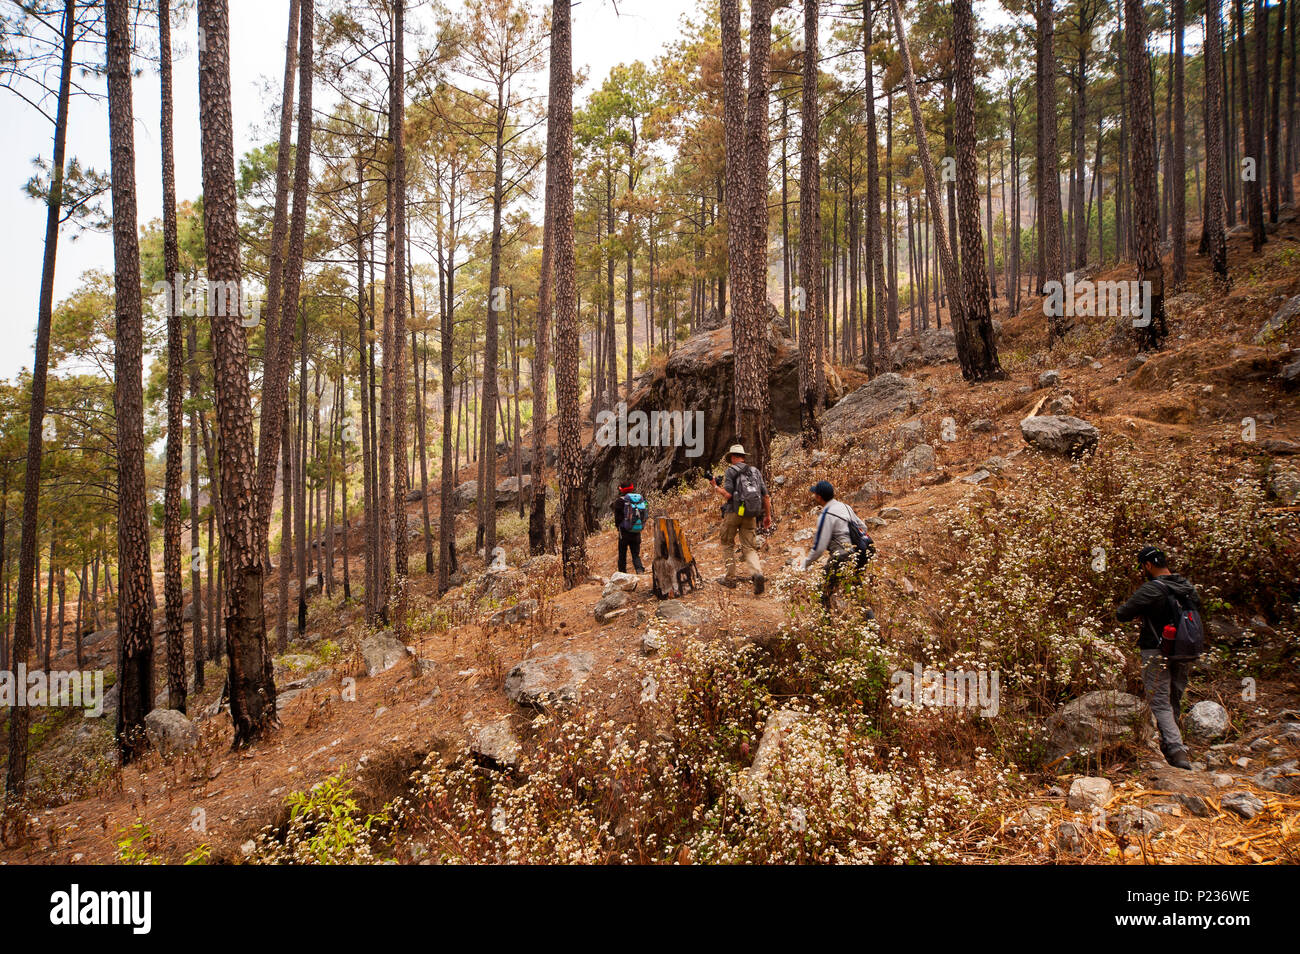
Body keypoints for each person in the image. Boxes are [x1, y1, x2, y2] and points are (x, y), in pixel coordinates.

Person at [1116, 545, 1202, 771]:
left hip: (1156, 650)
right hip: (1184, 650)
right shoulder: (1186, 587)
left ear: (1147, 565)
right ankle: (1170, 741)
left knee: (1159, 701)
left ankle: (1176, 749)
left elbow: (1122, 613)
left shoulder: (1152, 589)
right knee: (1174, 696)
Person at [799, 480, 874, 606]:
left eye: (815, 494)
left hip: (842, 556)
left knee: (822, 592)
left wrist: (805, 564)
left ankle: (824, 624)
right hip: (860, 554)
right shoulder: (845, 507)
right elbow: (863, 527)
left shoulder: (826, 514)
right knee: (856, 591)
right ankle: (869, 622)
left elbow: (819, 548)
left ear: (819, 497)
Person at [710, 444, 771, 594]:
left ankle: (730, 578)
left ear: (733, 457)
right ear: (743, 456)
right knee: (749, 547)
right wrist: (767, 516)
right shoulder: (755, 471)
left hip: (733, 512)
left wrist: (716, 487)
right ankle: (757, 573)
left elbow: (729, 495)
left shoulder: (731, 471)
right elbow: (766, 496)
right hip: (750, 514)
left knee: (727, 543)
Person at [611, 480, 647, 574]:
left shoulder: (620, 501)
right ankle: (639, 570)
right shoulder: (639, 499)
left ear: (622, 490)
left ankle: (622, 573)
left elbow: (617, 518)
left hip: (624, 531)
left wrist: (618, 527)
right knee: (635, 554)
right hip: (636, 530)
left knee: (622, 553)